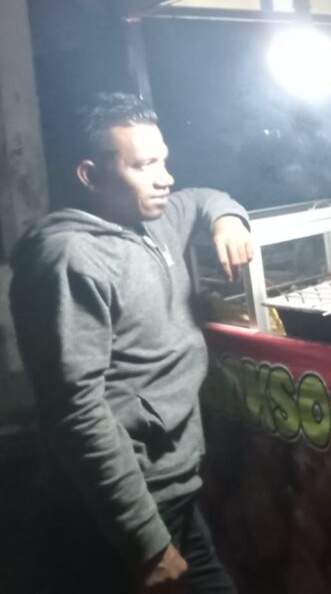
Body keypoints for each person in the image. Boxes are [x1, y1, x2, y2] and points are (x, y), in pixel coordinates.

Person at [9, 93, 254, 593]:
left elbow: (204, 197)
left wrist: (227, 219)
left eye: (163, 160)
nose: (166, 178)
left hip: (174, 491)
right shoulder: (68, 260)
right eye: (144, 166)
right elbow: (76, 412)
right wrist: (146, 543)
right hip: (117, 512)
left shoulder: (152, 220)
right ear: (90, 175)